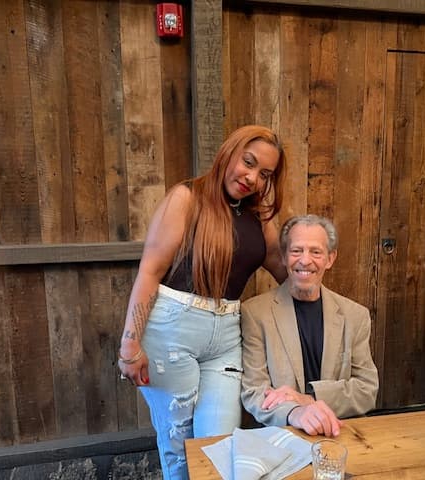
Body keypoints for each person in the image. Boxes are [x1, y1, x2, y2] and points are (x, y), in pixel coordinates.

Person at [117, 125, 288, 480]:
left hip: (226, 339)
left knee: (220, 446)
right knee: (179, 448)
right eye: (248, 162)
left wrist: (314, 267)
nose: (252, 178)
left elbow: (285, 269)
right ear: (229, 152)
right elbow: (150, 271)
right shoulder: (186, 198)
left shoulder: (258, 217)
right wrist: (129, 345)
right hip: (171, 333)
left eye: (264, 174)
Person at [240, 214, 379, 437]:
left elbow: (367, 390)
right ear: (284, 257)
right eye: (296, 251)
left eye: (316, 252)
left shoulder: (355, 316)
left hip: (339, 432)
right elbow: (254, 392)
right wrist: (295, 412)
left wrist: (309, 398)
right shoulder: (255, 313)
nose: (305, 260)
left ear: (330, 259)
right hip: (283, 435)